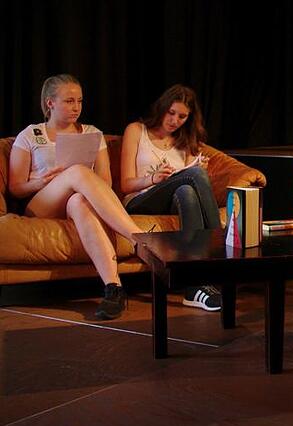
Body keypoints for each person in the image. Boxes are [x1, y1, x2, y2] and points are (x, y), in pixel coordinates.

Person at [8, 74, 144, 320]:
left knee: (80, 201)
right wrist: (43, 181)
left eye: (79, 101)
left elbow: (105, 183)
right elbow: (16, 188)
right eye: (69, 101)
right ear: (50, 103)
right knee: (79, 171)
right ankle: (139, 238)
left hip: (77, 199)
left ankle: (113, 288)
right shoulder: (30, 135)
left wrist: (79, 181)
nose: (76, 107)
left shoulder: (92, 133)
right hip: (43, 202)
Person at [120, 84, 222, 311]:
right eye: (171, 113)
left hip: (173, 199)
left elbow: (192, 190)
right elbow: (125, 184)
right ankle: (221, 253)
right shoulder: (137, 130)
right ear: (162, 108)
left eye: (182, 116)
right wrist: (153, 179)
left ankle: (193, 286)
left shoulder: (186, 141)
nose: (175, 120)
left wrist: (199, 169)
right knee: (193, 176)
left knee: (186, 190)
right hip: (140, 199)